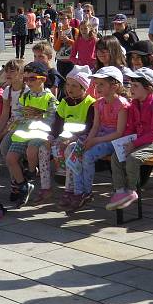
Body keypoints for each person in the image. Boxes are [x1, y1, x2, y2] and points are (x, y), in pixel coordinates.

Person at [68, 66, 128, 210]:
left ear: (114, 86)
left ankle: (87, 192)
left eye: (101, 84)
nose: (97, 87)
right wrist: (89, 139)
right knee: (75, 151)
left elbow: (119, 133)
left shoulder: (122, 105)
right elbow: (95, 126)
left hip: (112, 139)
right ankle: (78, 191)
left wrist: (94, 141)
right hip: (99, 135)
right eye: (96, 83)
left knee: (88, 156)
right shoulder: (98, 103)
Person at [108, 68, 153, 211]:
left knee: (133, 159)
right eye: (131, 85)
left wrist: (133, 144)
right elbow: (131, 127)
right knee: (116, 157)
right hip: (138, 142)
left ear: (148, 88)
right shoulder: (134, 104)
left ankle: (131, 190)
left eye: (135, 86)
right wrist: (124, 142)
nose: (131, 88)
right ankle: (120, 191)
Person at [5, 62, 57, 207]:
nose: (28, 82)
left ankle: (31, 172)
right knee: (10, 158)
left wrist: (38, 116)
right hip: (24, 132)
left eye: (32, 79)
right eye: (26, 79)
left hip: (39, 133)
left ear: (43, 79)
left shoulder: (50, 98)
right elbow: (17, 113)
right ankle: (23, 185)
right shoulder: (25, 95)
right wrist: (25, 117)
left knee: (31, 150)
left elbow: (52, 118)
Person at [52, 66, 96, 211]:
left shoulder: (90, 104)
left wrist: (72, 138)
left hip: (82, 138)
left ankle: (69, 189)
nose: (69, 89)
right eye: (68, 85)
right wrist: (53, 137)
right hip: (67, 137)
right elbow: (58, 123)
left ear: (84, 87)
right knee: (51, 146)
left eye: (74, 86)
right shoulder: (65, 101)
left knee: (70, 152)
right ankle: (60, 178)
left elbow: (89, 127)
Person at [53, 11, 78, 78]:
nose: (62, 21)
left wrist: (68, 40)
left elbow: (78, 46)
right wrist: (59, 38)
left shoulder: (74, 31)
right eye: (60, 19)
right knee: (61, 83)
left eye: (64, 18)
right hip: (60, 61)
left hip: (71, 61)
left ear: (69, 19)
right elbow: (55, 49)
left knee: (71, 81)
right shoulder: (57, 32)